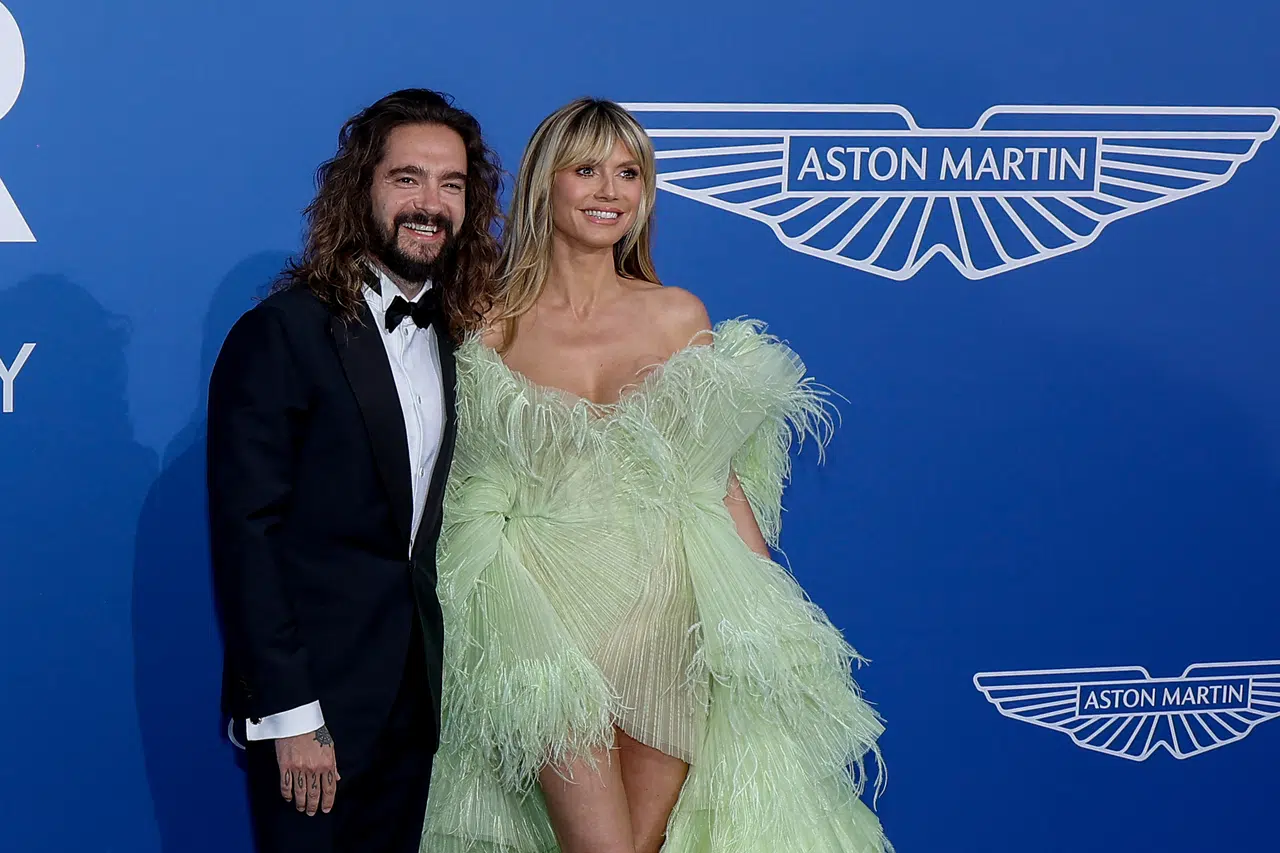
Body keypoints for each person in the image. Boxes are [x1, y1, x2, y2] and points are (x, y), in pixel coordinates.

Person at [421, 98, 891, 853]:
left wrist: (764, 617)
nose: (610, 190)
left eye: (629, 172)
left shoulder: (678, 315)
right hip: (538, 618)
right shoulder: (485, 318)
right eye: (587, 170)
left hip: (667, 609)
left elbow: (710, 476)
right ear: (546, 184)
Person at [206, 88, 502, 853]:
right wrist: (291, 713)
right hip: (315, 717)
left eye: (451, 184)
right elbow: (248, 537)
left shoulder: (460, 336)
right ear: (361, 188)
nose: (429, 204)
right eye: (407, 179)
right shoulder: (284, 334)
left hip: (415, 707)